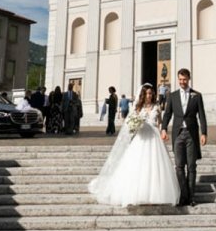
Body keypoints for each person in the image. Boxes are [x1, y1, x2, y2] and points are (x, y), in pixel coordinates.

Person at [88, 84, 179, 206]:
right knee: (139, 166)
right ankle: (138, 194)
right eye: (147, 93)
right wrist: (135, 126)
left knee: (155, 166)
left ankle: (155, 195)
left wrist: (163, 132)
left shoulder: (157, 107)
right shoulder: (138, 107)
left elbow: (160, 123)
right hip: (141, 138)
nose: (149, 95)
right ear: (142, 95)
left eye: (151, 93)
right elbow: (130, 122)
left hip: (154, 138)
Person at [161, 68, 207, 207]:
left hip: (191, 134)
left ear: (189, 79)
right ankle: (183, 195)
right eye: (180, 79)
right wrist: (163, 129)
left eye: (184, 79)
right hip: (178, 134)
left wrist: (204, 133)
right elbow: (168, 114)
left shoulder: (197, 95)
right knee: (179, 167)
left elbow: (202, 116)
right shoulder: (172, 96)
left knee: (191, 167)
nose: (182, 82)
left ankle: (192, 197)